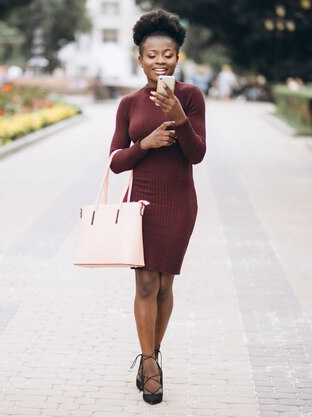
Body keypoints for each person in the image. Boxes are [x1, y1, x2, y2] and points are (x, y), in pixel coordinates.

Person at [109, 10, 206, 405]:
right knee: (146, 283)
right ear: (140, 58)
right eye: (152, 54)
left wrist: (179, 116)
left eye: (168, 53)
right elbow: (115, 161)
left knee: (166, 285)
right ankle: (150, 364)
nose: (160, 60)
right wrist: (144, 145)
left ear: (178, 58)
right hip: (142, 203)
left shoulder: (191, 97)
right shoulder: (129, 103)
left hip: (180, 201)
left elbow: (197, 154)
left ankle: (152, 355)